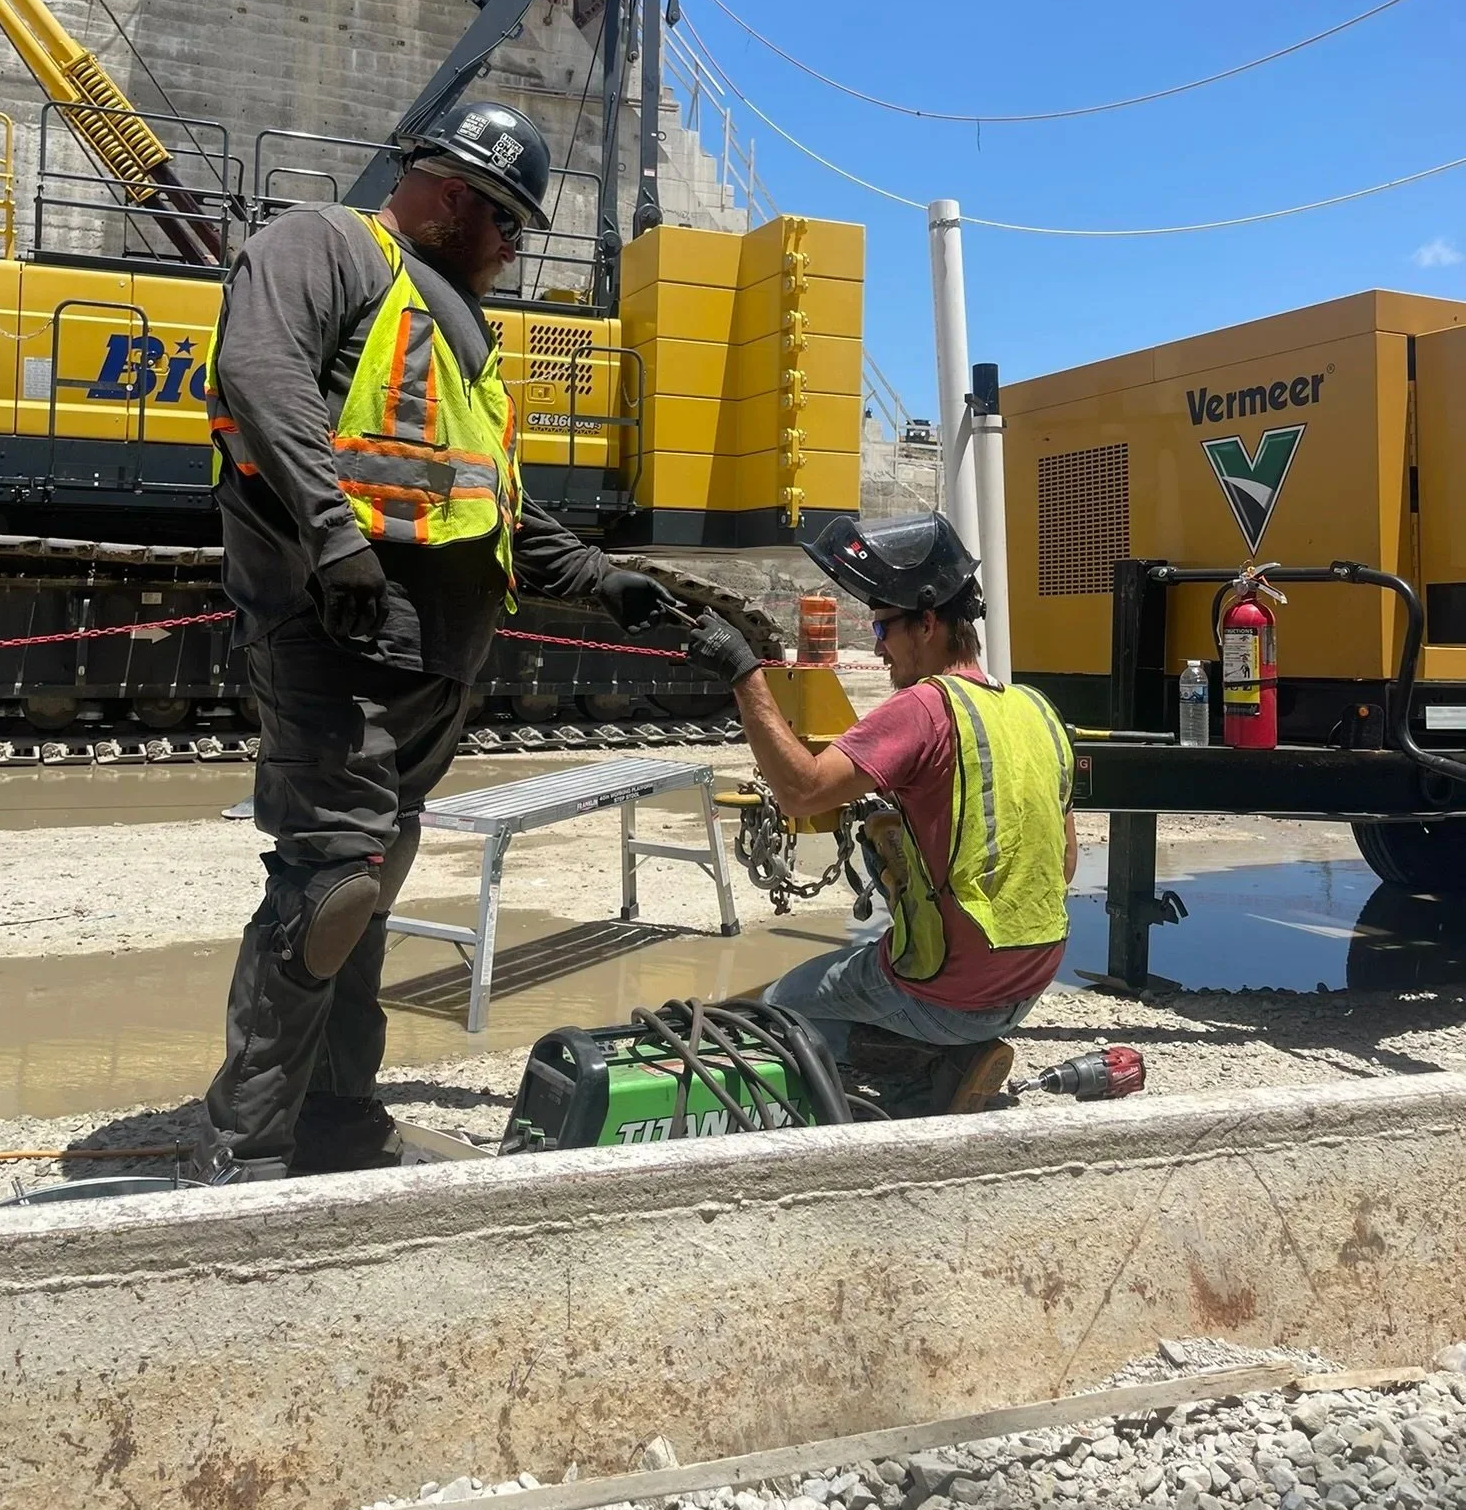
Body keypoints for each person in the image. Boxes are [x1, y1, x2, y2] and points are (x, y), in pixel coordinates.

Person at [195, 100, 672, 1181]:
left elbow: (487, 493)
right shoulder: (327, 246)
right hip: (336, 635)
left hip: (429, 669)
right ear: (460, 195)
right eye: (510, 227)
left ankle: (335, 1124)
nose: (513, 251)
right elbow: (261, 374)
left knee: (369, 887)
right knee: (330, 892)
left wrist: (602, 577)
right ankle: (241, 1153)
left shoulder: (453, 322)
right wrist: (331, 535)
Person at [684, 511, 1075, 1109]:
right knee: (872, 962)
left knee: (781, 1007)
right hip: (1030, 982)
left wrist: (744, 675)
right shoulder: (1036, 710)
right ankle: (953, 1054)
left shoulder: (924, 707)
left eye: (884, 626)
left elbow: (802, 791)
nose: (876, 644)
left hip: (954, 993)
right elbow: (1064, 863)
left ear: (926, 623)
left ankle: (920, 1078)